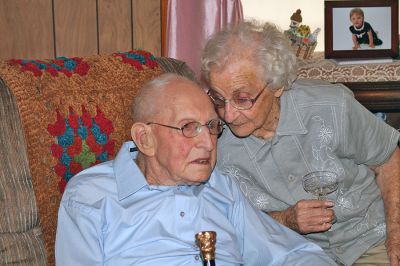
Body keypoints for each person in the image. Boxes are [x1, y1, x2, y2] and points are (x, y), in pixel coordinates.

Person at [55, 73, 336, 265]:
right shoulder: (91, 195)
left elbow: (293, 254)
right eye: (189, 128)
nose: (208, 142)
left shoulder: (221, 188)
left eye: (213, 127)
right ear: (145, 138)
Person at [201, 20, 400, 266]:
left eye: (242, 99)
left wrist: (396, 236)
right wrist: (285, 220)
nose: (228, 115)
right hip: (293, 254)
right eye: (219, 98)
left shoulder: (331, 106)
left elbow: (389, 159)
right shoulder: (210, 139)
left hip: (370, 240)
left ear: (277, 85)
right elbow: (219, 217)